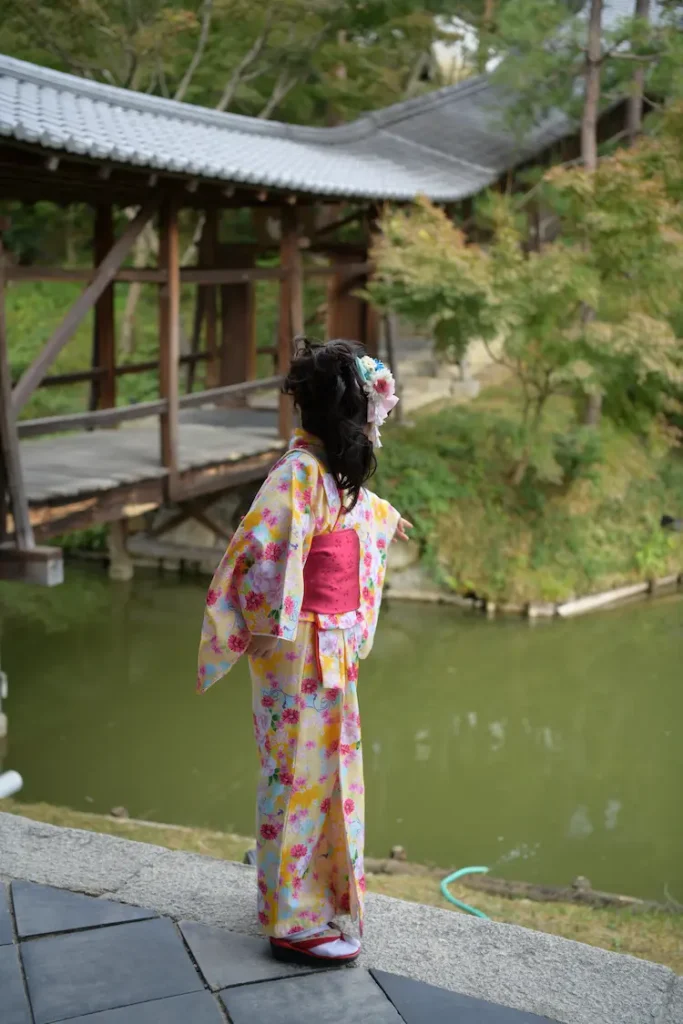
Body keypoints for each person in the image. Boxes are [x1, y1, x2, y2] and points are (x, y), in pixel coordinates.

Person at [196, 338, 412, 965]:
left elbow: (349, 512)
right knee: (296, 776)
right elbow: (260, 550)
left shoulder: (320, 472)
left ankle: (310, 894)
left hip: (332, 643)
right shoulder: (297, 473)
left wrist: (381, 518)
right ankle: (291, 921)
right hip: (296, 646)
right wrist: (263, 620)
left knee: (330, 775)